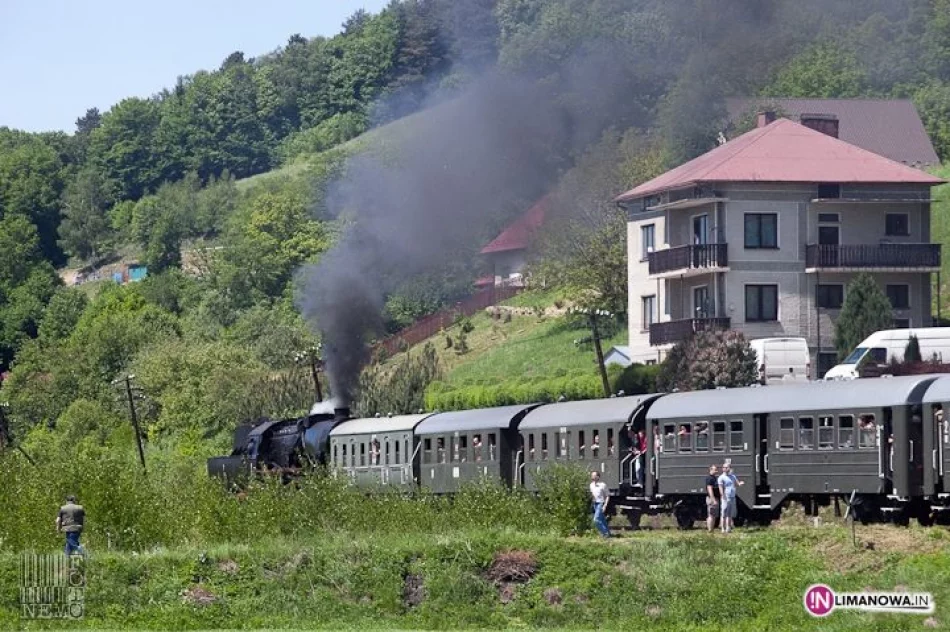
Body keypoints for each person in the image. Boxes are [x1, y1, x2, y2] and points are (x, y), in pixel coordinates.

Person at [717, 463, 743, 533]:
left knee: (729, 513)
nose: (725, 468)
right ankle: (723, 528)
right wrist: (723, 495)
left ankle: (728, 528)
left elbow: (737, 483)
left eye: (726, 467)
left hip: (732, 496)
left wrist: (740, 484)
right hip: (725, 497)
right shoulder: (721, 477)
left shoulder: (733, 476)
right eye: (724, 467)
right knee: (724, 513)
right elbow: (720, 488)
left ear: (729, 468)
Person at [589, 471, 611, 538]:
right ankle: (608, 533)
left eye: (594, 475)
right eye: (592, 475)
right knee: (602, 520)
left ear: (598, 477)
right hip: (595, 504)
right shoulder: (591, 485)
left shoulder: (603, 485)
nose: (592, 476)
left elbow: (608, 496)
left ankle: (605, 533)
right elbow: (592, 494)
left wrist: (605, 505)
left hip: (600, 503)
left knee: (596, 520)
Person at [705, 465, 720, 533]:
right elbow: (709, 489)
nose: (716, 471)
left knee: (714, 515)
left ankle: (712, 529)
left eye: (716, 470)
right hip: (711, 499)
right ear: (710, 469)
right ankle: (710, 530)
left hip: (715, 498)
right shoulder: (709, 478)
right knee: (711, 515)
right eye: (715, 470)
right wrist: (713, 499)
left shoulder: (714, 478)